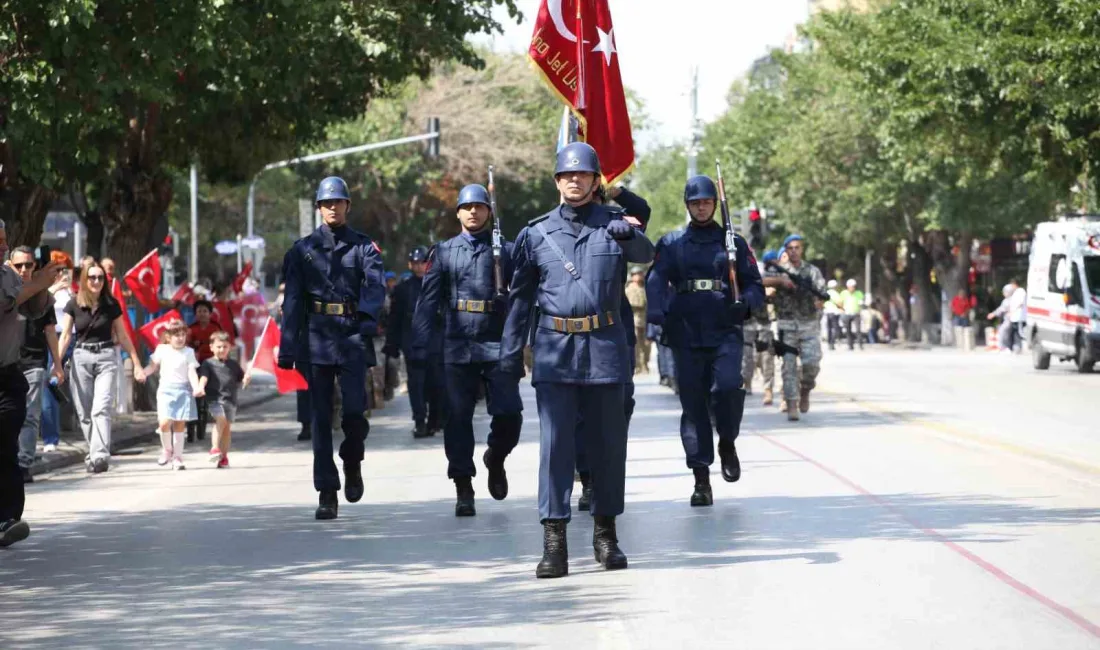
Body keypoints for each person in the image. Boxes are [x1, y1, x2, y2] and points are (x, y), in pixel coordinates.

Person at [500, 142, 655, 578]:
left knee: (608, 445)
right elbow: (519, 298)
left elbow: (647, 254)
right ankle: (555, 542)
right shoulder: (535, 233)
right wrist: (509, 355)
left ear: (594, 181)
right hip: (554, 350)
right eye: (567, 175)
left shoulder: (614, 224)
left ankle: (606, 535)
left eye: (582, 175)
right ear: (557, 181)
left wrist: (632, 234)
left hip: (605, 348)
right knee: (555, 448)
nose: (574, 180)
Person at [645, 175, 764, 507]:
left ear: (714, 204)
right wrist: (655, 314)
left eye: (707, 202)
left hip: (725, 327)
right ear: (688, 205)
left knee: (728, 388)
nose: (701, 207)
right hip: (685, 329)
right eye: (695, 202)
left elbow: (755, 284)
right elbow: (655, 280)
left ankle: (727, 440)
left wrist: (748, 302)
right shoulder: (671, 243)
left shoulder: (733, 243)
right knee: (693, 406)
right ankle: (701, 478)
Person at [409, 184, 522, 516]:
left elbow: (526, 295)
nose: (473, 212)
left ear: (489, 212)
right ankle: (463, 484)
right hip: (458, 344)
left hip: (497, 342)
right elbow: (428, 301)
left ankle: (495, 457)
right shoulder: (443, 252)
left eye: (480, 207)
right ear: (458, 212)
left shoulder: (506, 250)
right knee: (457, 418)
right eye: (467, 207)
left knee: (509, 414)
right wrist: (420, 345)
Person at [278, 176, 385, 520]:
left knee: (355, 411)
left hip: (352, 336)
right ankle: (327, 490)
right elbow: (292, 301)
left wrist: (367, 320)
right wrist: (287, 346)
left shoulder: (364, 247)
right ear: (319, 208)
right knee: (319, 418)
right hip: (316, 338)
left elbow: (375, 287)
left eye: (338, 202)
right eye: (327, 203)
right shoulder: (301, 250)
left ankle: (352, 461)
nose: (333, 207)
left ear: (347, 206)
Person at [0, 224, 64, 547]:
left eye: (3, 241)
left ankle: (8, 518)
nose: (0, 247)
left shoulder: (11, 276)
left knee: (6, 440)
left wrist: (43, 283)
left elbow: (36, 309)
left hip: (9, 376)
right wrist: (35, 281)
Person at [57, 260, 146, 473]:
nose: (96, 281)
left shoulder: (111, 304)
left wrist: (136, 363)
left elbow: (123, 335)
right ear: (84, 280)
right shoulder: (73, 304)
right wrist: (57, 364)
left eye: (100, 278)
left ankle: (99, 456)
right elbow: (66, 335)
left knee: (101, 408)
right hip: (81, 357)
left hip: (106, 356)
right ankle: (94, 451)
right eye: (92, 277)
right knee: (85, 412)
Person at [8, 248, 66, 484]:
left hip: (33, 363)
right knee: (9, 416)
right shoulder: (6, 292)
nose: (24, 270)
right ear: (10, 265)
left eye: (29, 265)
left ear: (35, 266)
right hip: (8, 365)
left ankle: (24, 463)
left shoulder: (41, 296)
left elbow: (51, 331)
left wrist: (58, 365)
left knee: (30, 416)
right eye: (19, 265)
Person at [383, 246, 446, 438]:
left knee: (436, 384)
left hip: (435, 343)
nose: (419, 267)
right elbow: (394, 319)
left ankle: (435, 419)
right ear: (410, 264)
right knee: (416, 385)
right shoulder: (402, 289)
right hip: (412, 343)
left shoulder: (440, 285)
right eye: (416, 263)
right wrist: (392, 345)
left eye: (423, 263)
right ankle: (420, 421)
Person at [763, 235, 827, 421]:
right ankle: (792, 403)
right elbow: (760, 282)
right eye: (790, 248)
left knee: (811, 363)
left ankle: (805, 389)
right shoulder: (779, 271)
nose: (794, 251)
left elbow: (821, 293)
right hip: (786, 325)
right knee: (788, 365)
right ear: (785, 250)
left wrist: (818, 301)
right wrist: (780, 283)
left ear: (802, 249)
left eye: (797, 247)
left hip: (808, 324)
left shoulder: (811, 271)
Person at [142, 319, 203, 470]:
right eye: (176, 335)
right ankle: (167, 450)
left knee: (179, 425)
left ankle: (178, 457)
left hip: (183, 390)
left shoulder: (188, 352)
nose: (180, 338)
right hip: (165, 391)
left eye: (183, 334)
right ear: (168, 337)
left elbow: (191, 372)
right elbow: (153, 366)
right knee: (164, 423)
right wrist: (143, 373)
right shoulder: (162, 349)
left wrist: (196, 387)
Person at [199, 332, 249, 468]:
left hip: (231, 400)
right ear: (211, 347)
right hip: (214, 399)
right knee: (220, 420)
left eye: (225, 347)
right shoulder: (207, 364)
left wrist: (246, 379)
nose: (222, 350)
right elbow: (203, 377)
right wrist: (200, 387)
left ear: (230, 348)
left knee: (226, 429)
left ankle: (224, 456)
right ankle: (214, 448)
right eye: (219, 346)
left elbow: (241, 379)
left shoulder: (233, 364)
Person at [743, 249, 778, 406]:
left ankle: (768, 389)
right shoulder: (736, 271)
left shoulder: (763, 271)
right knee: (747, 357)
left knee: (767, 357)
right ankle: (746, 382)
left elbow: (774, 285)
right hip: (746, 322)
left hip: (764, 322)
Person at [186, 299, 222, 443]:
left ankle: (206, 418)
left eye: (205, 311)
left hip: (211, 365)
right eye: (199, 311)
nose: (202, 314)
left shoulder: (215, 327)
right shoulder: (191, 329)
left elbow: (222, 345)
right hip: (195, 365)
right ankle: (190, 428)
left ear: (210, 313)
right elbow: (186, 345)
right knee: (192, 396)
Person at [625, 266, 648, 374]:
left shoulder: (644, 287)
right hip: (634, 319)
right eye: (637, 274)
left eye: (641, 273)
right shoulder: (629, 289)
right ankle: (637, 366)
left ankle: (644, 365)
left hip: (643, 319)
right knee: (636, 344)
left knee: (644, 344)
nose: (639, 276)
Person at [839, 279, 864, 350]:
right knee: (848, 330)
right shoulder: (844, 293)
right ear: (847, 287)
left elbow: (861, 304)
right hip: (847, 313)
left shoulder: (859, 293)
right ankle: (850, 345)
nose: (851, 288)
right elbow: (840, 303)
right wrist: (841, 311)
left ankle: (860, 345)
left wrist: (860, 310)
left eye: (853, 287)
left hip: (856, 313)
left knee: (858, 330)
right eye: (850, 287)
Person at [824, 279, 842, 350]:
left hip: (827, 312)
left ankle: (829, 343)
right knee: (834, 328)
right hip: (834, 313)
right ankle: (832, 343)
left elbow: (823, 303)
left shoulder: (826, 293)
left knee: (828, 328)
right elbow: (840, 303)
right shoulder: (836, 294)